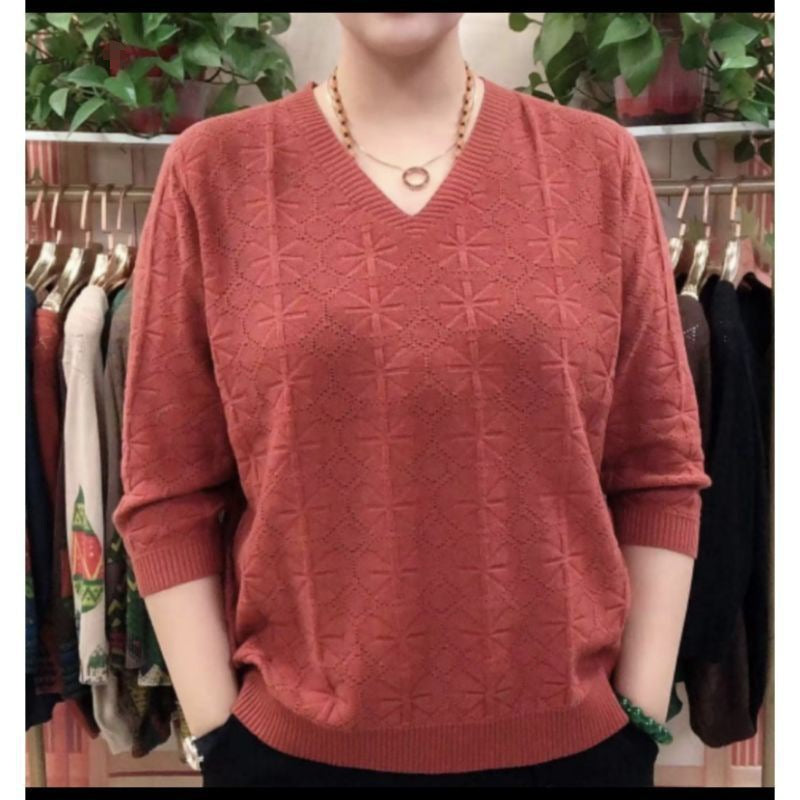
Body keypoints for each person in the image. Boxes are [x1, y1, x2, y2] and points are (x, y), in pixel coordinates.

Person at [113, 12, 711, 787]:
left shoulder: (595, 165)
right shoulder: (215, 173)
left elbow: (658, 468)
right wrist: (221, 742)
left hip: (576, 756)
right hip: (291, 759)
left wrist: (638, 728)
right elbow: (167, 487)